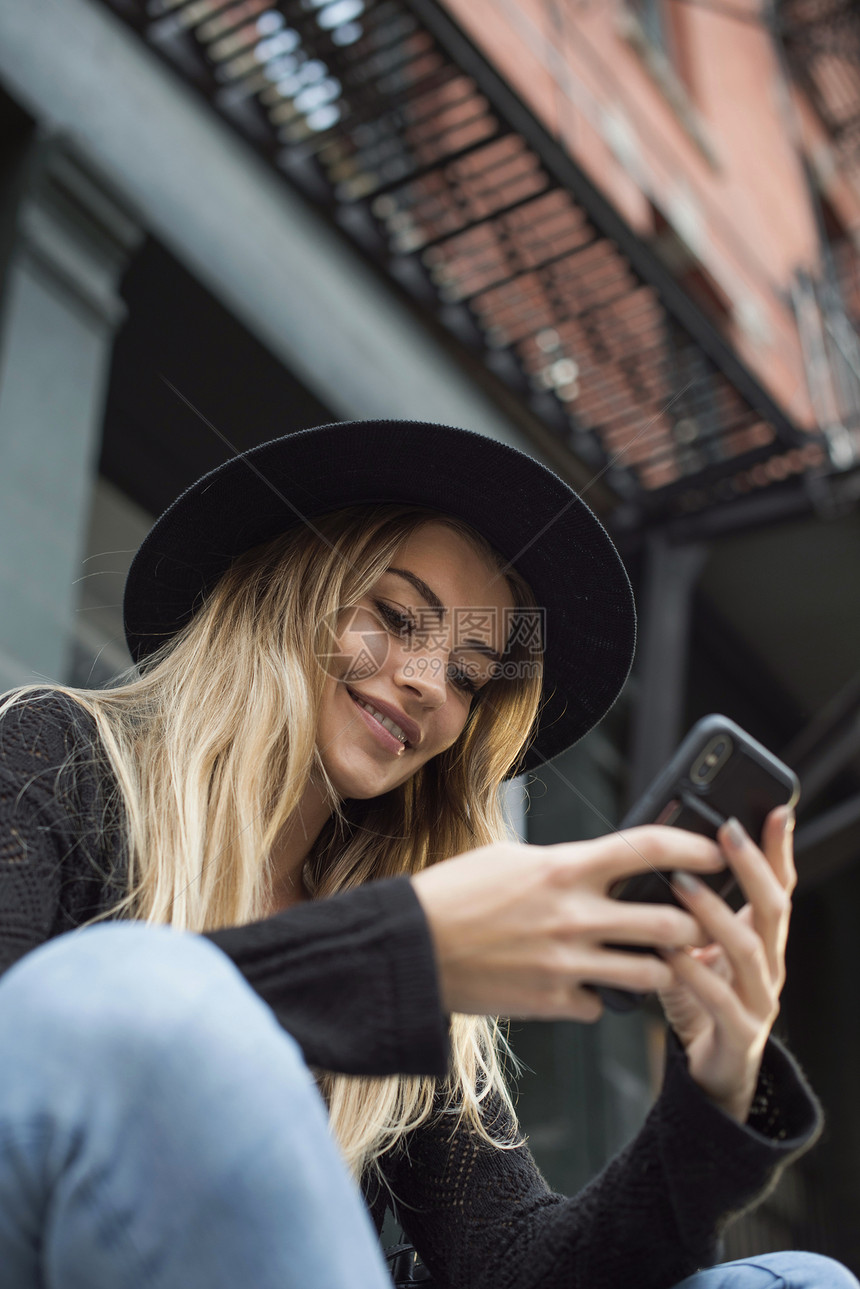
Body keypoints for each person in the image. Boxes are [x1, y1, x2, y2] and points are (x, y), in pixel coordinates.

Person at [0, 419, 854, 1289]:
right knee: (96, 995)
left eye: (469, 676)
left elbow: (518, 1268)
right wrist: (398, 954)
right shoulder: (54, 754)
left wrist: (712, 1092)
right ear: (291, 588)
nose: (426, 684)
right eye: (397, 617)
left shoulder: (408, 932)